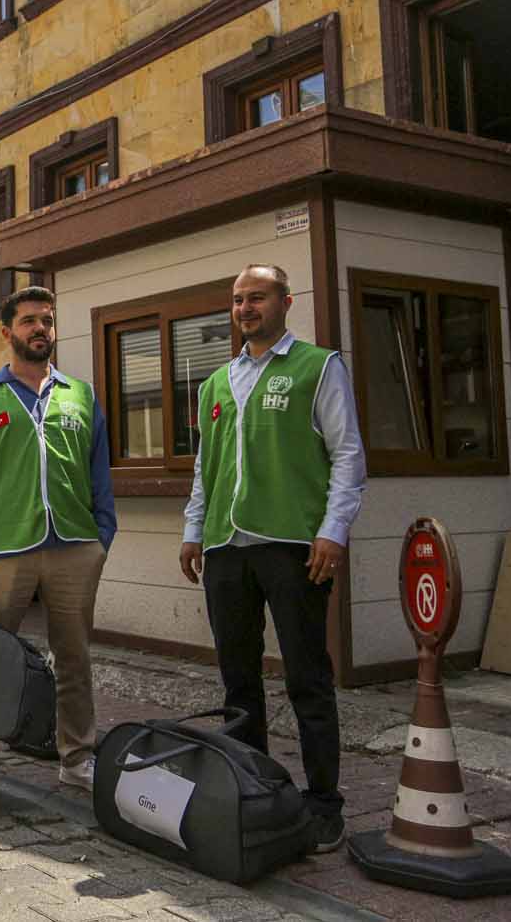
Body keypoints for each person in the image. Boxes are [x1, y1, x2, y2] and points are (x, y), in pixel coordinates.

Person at [179, 264, 364, 854]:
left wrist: (333, 531)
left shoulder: (319, 367)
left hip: (293, 547)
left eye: (257, 297)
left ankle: (324, 804)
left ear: (286, 301)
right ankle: (253, 790)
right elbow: (204, 471)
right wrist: (191, 531)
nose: (245, 308)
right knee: (239, 680)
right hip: (225, 549)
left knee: (308, 678)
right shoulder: (214, 384)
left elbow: (348, 455)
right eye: (237, 300)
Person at [0, 285, 117, 802]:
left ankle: (77, 759)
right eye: (28, 321)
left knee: (74, 658)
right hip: (3, 549)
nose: (40, 329)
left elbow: (98, 472)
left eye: (46, 320)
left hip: (73, 545)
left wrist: (102, 534)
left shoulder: (81, 396)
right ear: (7, 333)